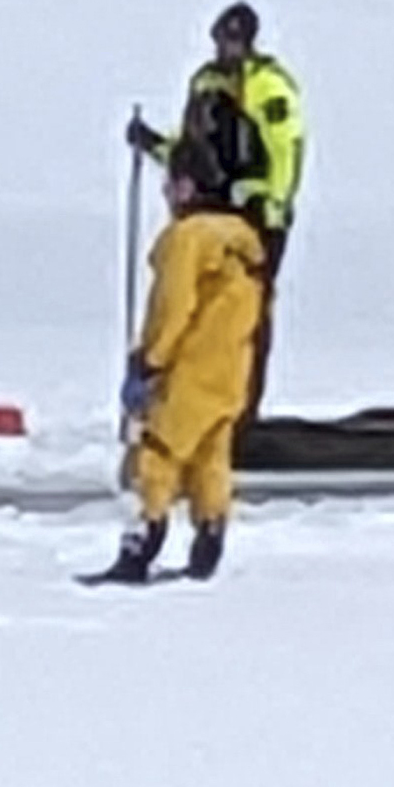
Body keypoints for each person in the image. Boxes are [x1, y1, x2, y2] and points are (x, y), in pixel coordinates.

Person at [102, 135, 268, 582]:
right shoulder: (241, 239)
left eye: (170, 183)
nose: (165, 193)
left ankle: (141, 545)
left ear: (186, 186)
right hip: (231, 370)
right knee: (210, 459)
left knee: (154, 456)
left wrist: (149, 361)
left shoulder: (187, 239)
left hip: (188, 371)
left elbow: (174, 307)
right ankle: (209, 537)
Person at [126, 0, 304, 405]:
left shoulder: (268, 87)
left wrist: (271, 203)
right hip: (207, 212)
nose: (227, 49)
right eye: (223, 40)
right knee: (195, 310)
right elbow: (192, 150)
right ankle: (188, 403)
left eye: (235, 41)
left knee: (243, 315)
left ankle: (240, 410)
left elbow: (284, 151)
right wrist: (153, 145)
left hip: (253, 216)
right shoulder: (205, 83)